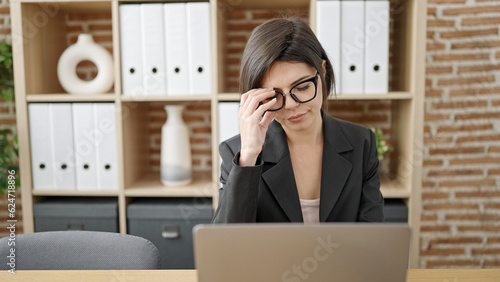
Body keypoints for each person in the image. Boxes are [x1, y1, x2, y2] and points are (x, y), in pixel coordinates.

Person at [212, 17, 384, 223]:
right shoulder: (237, 153)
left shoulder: (361, 143)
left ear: (322, 70)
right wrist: (248, 157)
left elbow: (373, 238)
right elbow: (227, 246)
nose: (291, 105)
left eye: (302, 87)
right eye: (274, 95)